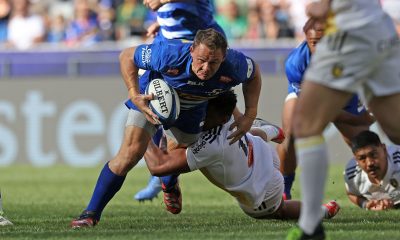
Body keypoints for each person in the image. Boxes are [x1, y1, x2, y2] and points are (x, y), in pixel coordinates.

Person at [70, 28, 261, 228]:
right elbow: (126, 56)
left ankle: (169, 185)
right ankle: (90, 214)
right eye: (201, 60)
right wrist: (134, 93)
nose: (206, 68)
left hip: (193, 108)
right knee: (129, 154)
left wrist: (250, 114)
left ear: (223, 57)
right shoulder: (169, 54)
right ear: (191, 50)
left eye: (214, 62)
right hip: (152, 98)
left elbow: (254, 73)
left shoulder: (235, 64)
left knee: (174, 157)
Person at [287, 0, 400, 239]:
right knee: (396, 129)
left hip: (348, 33)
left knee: (305, 124)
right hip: (380, 29)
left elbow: (318, 9)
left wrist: (320, 7)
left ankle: (310, 228)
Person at [143, 91, 340, 220]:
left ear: (221, 117)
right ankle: (269, 131)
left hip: (262, 189)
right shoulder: (223, 116)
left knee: (281, 211)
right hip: (261, 151)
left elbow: (158, 166)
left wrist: (140, 132)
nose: (200, 115)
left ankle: (321, 212)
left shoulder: (212, 145)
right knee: (246, 134)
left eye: (205, 112)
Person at [134, 0, 226, 203]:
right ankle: (164, 178)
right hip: (172, 40)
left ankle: (167, 177)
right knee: (160, 105)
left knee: (202, 107)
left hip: (200, 47)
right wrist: (165, 23)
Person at [277, 17, 374, 200]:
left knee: (367, 147)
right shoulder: (296, 64)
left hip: (347, 99)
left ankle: (382, 190)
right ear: (306, 39)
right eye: (315, 43)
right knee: (290, 136)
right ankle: (283, 191)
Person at [344, 130, 400, 210]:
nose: (370, 163)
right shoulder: (352, 174)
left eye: (373, 154)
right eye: (362, 158)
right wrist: (366, 204)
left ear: (384, 149)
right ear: (356, 159)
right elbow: (351, 193)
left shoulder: (398, 161)